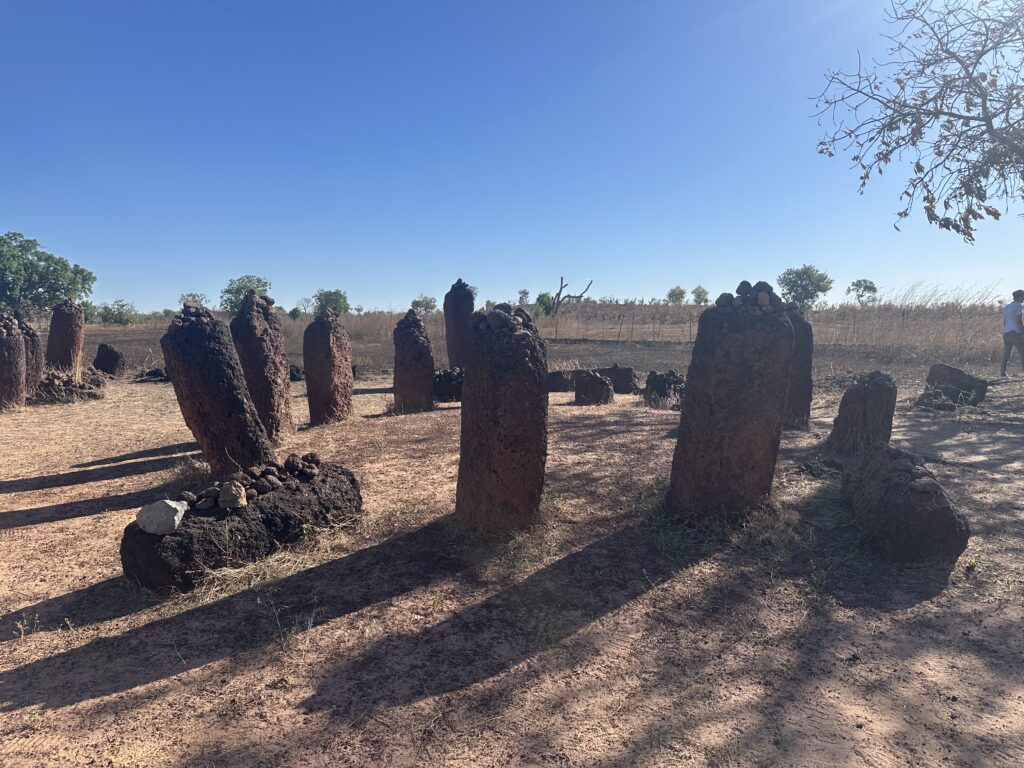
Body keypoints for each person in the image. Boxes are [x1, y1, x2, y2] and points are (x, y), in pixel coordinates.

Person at [1000, 289, 1024, 377]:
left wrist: (1006, 330)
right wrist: (1023, 332)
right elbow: (1019, 321)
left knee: (1006, 353)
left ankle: (1002, 373)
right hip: (1015, 334)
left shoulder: (1007, 307)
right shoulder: (1019, 306)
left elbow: (1004, 321)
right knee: (1023, 352)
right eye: (1023, 297)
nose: (1023, 299)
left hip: (1006, 333)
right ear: (1019, 297)